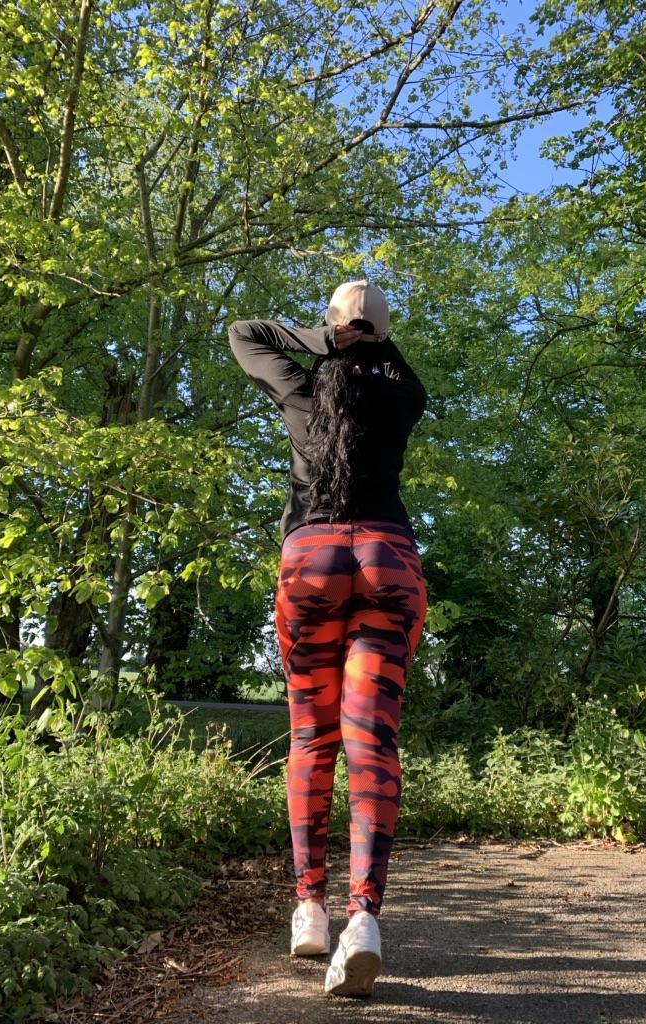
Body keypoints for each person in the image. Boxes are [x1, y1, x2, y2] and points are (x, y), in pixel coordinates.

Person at [227, 280, 428, 998]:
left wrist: (323, 339)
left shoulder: (300, 389)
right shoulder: (403, 398)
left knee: (312, 737)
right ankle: (363, 919)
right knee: (372, 740)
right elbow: (404, 374)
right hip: (388, 560)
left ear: (334, 328)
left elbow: (244, 332)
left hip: (311, 562)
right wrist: (374, 341)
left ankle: (309, 907)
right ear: (383, 337)